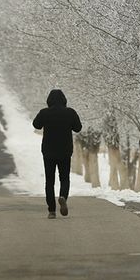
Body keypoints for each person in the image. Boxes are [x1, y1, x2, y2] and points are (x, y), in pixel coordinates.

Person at [32, 89, 82, 219]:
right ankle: (63, 197)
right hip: (65, 151)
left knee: (50, 180)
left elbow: (36, 125)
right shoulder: (70, 113)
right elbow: (78, 128)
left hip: (48, 151)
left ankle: (52, 211)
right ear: (64, 100)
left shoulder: (44, 113)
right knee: (64, 177)